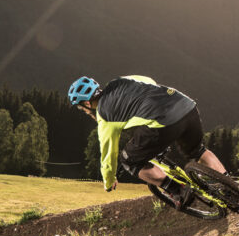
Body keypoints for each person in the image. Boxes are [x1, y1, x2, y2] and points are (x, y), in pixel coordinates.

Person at [67, 75, 227, 209]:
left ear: (86, 104)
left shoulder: (104, 117)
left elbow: (108, 155)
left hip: (164, 122)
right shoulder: (121, 81)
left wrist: (108, 181)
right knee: (198, 151)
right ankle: (232, 185)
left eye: (81, 108)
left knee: (129, 161)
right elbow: (148, 80)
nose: (84, 111)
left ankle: (179, 190)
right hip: (186, 104)